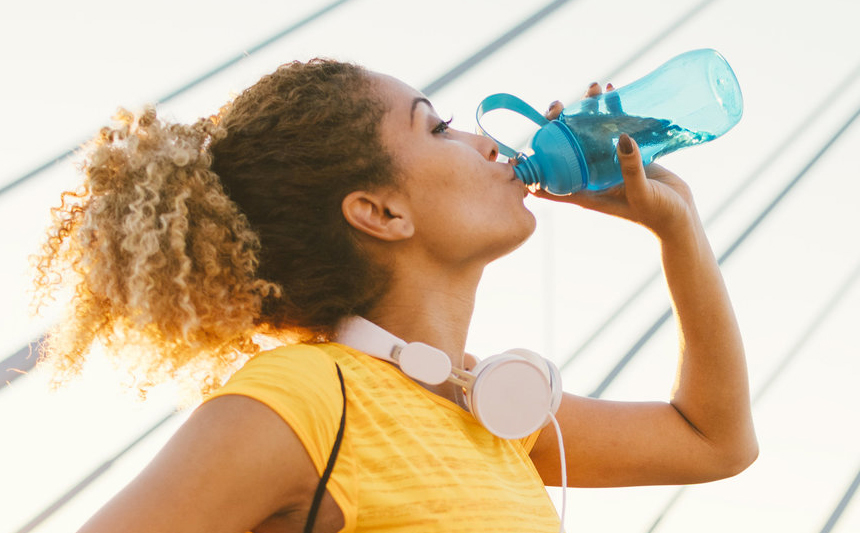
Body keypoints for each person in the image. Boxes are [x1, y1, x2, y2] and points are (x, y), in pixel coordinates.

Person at [33, 59, 758, 533]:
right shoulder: (307, 397)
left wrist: (678, 225)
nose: (485, 141)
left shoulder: (486, 404)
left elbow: (714, 441)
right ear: (379, 212)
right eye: (437, 126)